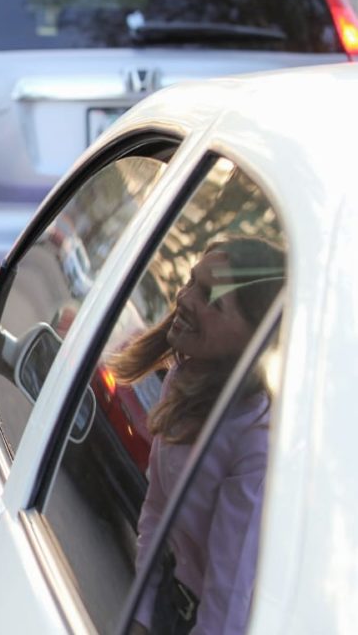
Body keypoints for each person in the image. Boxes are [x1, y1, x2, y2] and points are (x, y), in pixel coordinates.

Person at [112, 237, 285, 635]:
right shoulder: (182, 378)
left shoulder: (255, 440)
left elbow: (229, 596)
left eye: (211, 298)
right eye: (192, 282)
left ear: (253, 338)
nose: (186, 298)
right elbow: (156, 510)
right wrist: (141, 612)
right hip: (166, 607)